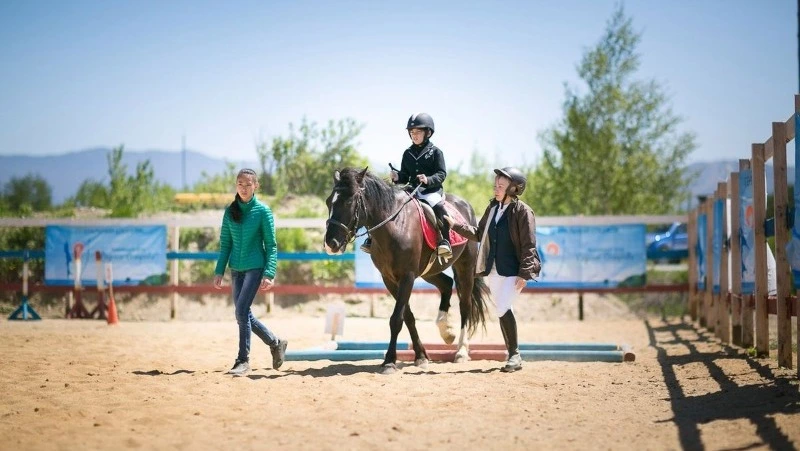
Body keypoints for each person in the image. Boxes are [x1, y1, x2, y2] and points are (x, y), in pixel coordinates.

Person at [444, 167, 540, 372]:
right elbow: (479, 233)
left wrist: (525, 273)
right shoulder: (493, 208)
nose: (496, 189)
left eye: (501, 186)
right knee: (502, 308)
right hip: (494, 268)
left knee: (503, 307)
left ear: (514, 188)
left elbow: (529, 246)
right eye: (495, 185)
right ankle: (512, 353)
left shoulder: (523, 211)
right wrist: (455, 225)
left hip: (514, 270)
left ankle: (514, 355)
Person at [214, 168, 287, 376]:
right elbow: (225, 244)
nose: (243, 188)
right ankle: (275, 343)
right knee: (243, 314)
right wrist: (219, 270)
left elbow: (271, 245)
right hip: (235, 269)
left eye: (248, 184)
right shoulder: (230, 212)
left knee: (241, 312)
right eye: (240, 184)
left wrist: (269, 272)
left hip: (255, 268)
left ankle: (243, 360)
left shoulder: (263, 211)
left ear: (256, 186)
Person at [361, 112, 452, 258]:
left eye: (418, 132)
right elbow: (405, 176)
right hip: (411, 189)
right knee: (388, 205)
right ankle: (372, 239)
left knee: (439, 208)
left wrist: (428, 179)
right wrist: (398, 177)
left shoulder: (436, 152)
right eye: (412, 132)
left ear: (427, 133)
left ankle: (445, 242)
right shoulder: (407, 153)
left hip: (430, 191)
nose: (414, 135)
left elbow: (441, 174)